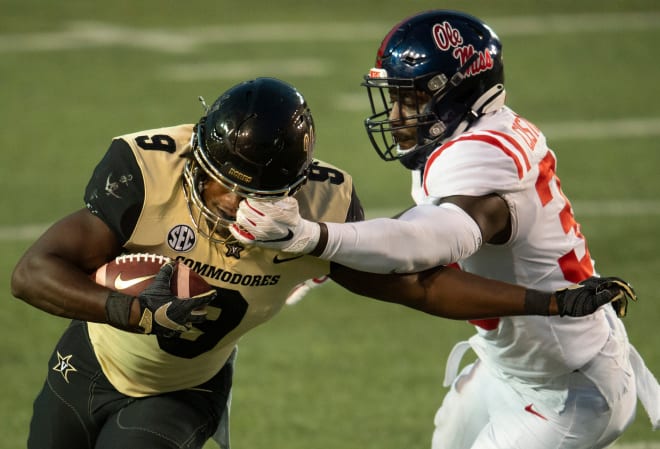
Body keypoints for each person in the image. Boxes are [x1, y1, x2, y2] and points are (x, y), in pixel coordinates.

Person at [11, 77, 634, 449]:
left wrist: (547, 301)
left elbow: (416, 286)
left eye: (259, 194)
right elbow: (33, 272)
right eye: (228, 188)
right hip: (86, 362)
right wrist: (132, 311)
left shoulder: (321, 203)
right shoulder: (148, 168)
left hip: (181, 389)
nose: (237, 207)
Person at [229, 12, 659, 449]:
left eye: (411, 100)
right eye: (394, 98)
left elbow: (426, 246)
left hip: (569, 388)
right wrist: (326, 260)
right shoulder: (474, 135)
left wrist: (313, 238)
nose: (396, 117)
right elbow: (424, 223)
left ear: (456, 96)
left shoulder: (479, 158)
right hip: (514, 366)